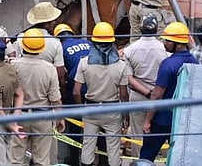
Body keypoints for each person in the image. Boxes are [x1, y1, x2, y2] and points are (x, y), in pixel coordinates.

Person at [140, 22, 198, 162]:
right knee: (179, 157)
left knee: (147, 156)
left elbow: (157, 95)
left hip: (162, 119)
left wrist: (147, 121)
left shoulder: (168, 65)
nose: (165, 43)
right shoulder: (194, 62)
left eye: (167, 41)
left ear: (177, 44)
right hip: (182, 120)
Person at [73, 23, 130, 166]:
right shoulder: (121, 66)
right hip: (112, 110)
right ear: (112, 43)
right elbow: (123, 95)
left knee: (88, 146)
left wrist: (81, 108)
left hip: (91, 109)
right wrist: (125, 117)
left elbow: (76, 91)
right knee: (113, 149)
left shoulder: (84, 63)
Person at [8, 30, 63, 166]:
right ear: (41, 48)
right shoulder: (49, 68)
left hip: (19, 116)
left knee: (16, 159)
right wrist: (60, 117)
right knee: (41, 160)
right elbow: (55, 99)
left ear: (23, 46)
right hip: (42, 118)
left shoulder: (13, 65)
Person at [123, 14, 168, 157]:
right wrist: (153, 94)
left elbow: (129, 78)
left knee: (137, 135)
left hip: (138, 98)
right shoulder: (164, 50)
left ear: (140, 29)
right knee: (160, 135)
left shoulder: (130, 50)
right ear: (156, 29)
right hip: (160, 97)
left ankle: (139, 162)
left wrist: (147, 92)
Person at [54, 23, 89, 166]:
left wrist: (61, 95)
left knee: (74, 128)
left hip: (76, 89)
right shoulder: (87, 42)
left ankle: (74, 160)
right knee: (97, 131)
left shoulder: (61, 48)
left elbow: (61, 75)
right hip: (96, 88)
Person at [18, 2, 67, 87]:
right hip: (46, 86)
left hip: (23, 86)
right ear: (46, 24)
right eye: (53, 21)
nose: (55, 23)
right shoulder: (55, 43)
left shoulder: (21, 38)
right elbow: (60, 74)